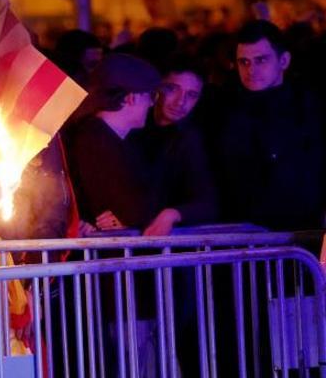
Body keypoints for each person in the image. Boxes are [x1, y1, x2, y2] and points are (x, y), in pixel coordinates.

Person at [213, 20, 324, 230]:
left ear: (284, 61)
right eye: (243, 62)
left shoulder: (308, 108)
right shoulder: (224, 109)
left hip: (300, 237)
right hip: (240, 241)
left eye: (261, 60)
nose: (251, 69)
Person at [65, 54, 162, 234]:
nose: (150, 104)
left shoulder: (107, 137)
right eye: (150, 96)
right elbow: (131, 209)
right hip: (104, 256)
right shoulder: (94, 140)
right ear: (131, 97)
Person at [131, 55, 218, 235]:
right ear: (157, 87)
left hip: (165, 244)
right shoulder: (131, 125)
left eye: (192, 95)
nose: (181, 102)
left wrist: (173, 214)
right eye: (172, 89)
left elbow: (208, 202)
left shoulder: (191, 139)